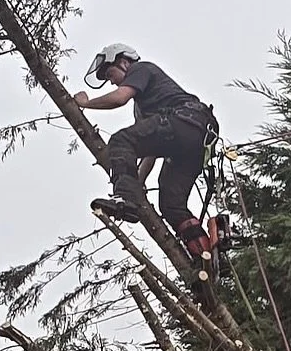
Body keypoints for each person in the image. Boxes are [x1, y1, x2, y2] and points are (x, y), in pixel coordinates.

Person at [73, 43, 216, 258]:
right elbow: (150, 149)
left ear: (123, 62)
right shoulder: (143, 108)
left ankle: (124, 199)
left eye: (110, 73)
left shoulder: (141, 69)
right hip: (195, 141)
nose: (110, 81)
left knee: (121, 140)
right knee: (171, 205)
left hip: (186, 121)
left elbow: (119, 98)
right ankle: (205, 254)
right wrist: (137, 183)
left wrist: (85, 103)